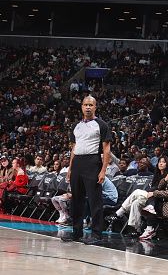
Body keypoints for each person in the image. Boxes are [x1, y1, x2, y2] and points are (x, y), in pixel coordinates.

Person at [62, 96, 112, 245]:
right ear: (82, 107)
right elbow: (73, 149)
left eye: (91, 105)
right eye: (85, 105)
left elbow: (106, 149)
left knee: (94, 200)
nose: (88, 107)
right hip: (77, 162)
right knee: (76, 200)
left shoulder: (101, 125)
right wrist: (70, 168)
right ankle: (76, 233)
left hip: (93, 162)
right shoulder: (76, 126)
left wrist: (103, 170)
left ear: (95, 107)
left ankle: (97, 234)